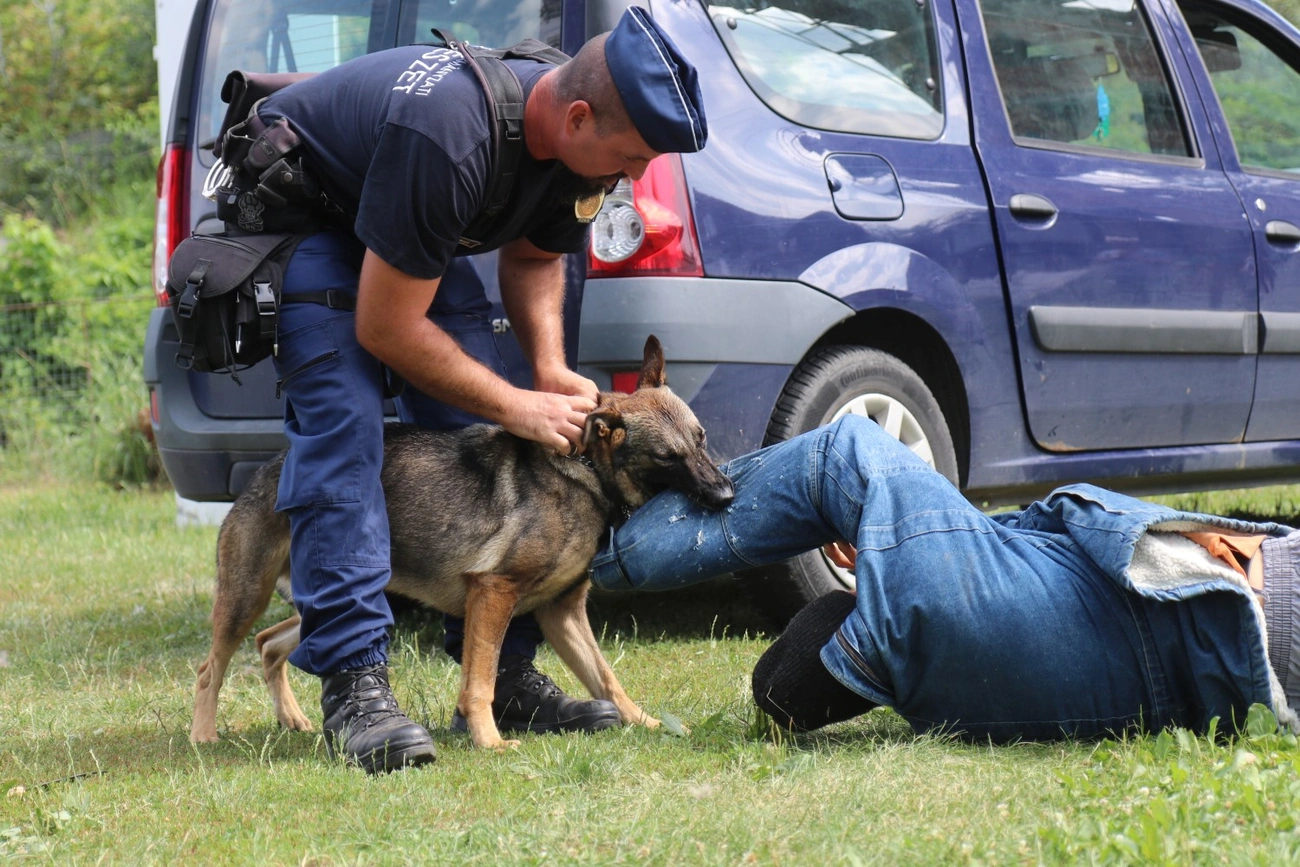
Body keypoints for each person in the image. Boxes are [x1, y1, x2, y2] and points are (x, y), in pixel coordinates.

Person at [258, 8, 707, 772]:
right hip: (309, 223)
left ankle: (503, 678)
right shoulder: (451, 136)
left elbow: (534, 261)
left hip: (404, 234)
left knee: (489, 426)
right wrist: (515, 404)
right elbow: (386, 328)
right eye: (631, 157)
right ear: (577, 117)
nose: (632, 178)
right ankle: (355, 683)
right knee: (347, 433)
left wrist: (547, 370)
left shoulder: (577, 154)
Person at [589, 415, 1300, 741]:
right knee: (794, 675)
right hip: (1119, 646)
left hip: (1188, 619)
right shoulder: (951, 660)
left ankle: (581, 552)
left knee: (845, 452)